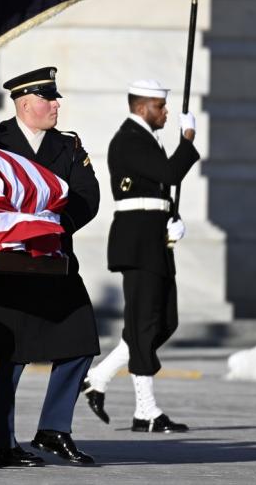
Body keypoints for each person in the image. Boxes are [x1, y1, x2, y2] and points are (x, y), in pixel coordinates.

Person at [0, 67, 100, 466]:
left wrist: (49, 226)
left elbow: (86, 196)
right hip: (6, 265)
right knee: (6, 353)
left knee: (80, 342)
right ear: (26, 103)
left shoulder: (68, 144)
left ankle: (54, 429)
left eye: (56, 97)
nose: (57, 104)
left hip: (54, 259)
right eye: (49, 98)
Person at [84, 79, 198, 433]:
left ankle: (99, 375)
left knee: (164, 322)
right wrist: (188, 141)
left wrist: (172, 218)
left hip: (153, 238)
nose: (165, 113)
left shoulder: (147, 139)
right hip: (137, 244)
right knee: (145, 324)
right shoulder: (129, 139)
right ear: (141, 107)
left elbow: (157, 188)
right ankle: (145, 411)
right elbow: (168, 174)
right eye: (160, 107)